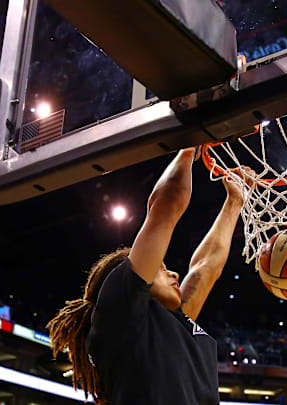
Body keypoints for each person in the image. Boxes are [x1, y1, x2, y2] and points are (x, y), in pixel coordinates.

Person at [47, 147, 245, 404]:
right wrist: (187, 149)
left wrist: (234, 202)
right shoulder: (119, 313)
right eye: (160, 268)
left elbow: (206, 266)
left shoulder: (171, 323)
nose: (173, 272)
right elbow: (165, 208)